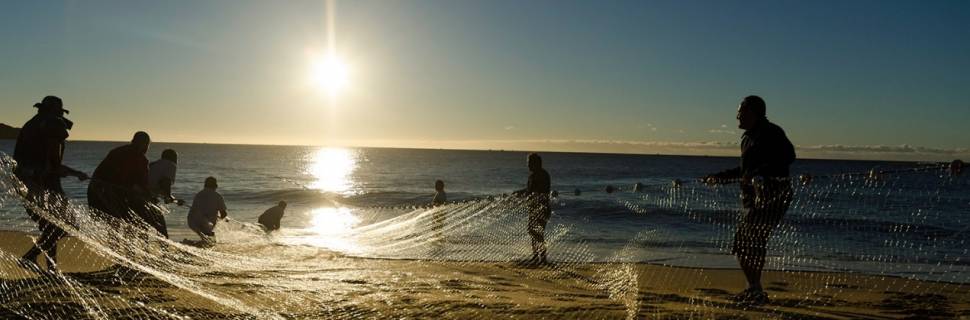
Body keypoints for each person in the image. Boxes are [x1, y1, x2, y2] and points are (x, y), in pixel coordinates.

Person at [704, 95, 795, 306]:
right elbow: (744, 172)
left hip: (774, 195)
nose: (737, 115)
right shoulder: (746, 138)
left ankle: (755, 289)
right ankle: (754, 288)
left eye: (741, 111)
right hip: (752, 198)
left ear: (753, 113)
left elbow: (788, 157)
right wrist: (720, 177)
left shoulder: (772, 132)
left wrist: (761, 174)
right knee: (747, 243)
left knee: (748, 241)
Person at [14, 96, 89, 271]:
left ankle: (51, 268)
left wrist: (72, 172)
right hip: (44, 183)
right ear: (56, 112)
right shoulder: (53, 124)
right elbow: (53, 160)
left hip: (25, 182)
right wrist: (68, 171)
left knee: (51, 225)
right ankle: (31, 257)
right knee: (65, 225)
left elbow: (33, 159)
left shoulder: (30, 125)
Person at [88, 131, 167, 237]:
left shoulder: (117, 152)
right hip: (107, 193)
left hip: (96, 191)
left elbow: (137, 183)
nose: (147, 148)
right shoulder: (139, 158)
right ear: (144, 145)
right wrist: (149, 196)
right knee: (125, 220)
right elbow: (138, 184)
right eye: (147, 145)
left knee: (117, 223)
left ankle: (118, 246)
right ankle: (124, 247)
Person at [513, 153, 552, 264]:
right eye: (528, 163)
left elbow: (538, 191)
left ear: (536, 163)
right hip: (533, 208)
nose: (528, 165)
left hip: (542, 208)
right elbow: (529, 190)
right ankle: (536, 257)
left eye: (529, 163)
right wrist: (519, 192)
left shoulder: (543, 175)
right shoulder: (533, 175)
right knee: (533, 231)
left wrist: (527, 194)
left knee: (537, 233)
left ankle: (542, 258)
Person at [188, 177, 228, 243]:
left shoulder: (199, 194)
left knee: (203, 232)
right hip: (206, 222)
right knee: (208, 232)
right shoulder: (217, 196)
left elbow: (195, 208)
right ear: (215, 186)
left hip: (192, 221)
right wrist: (220, 218)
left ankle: (203, 241)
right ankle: (209, 243)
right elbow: (223, 213)